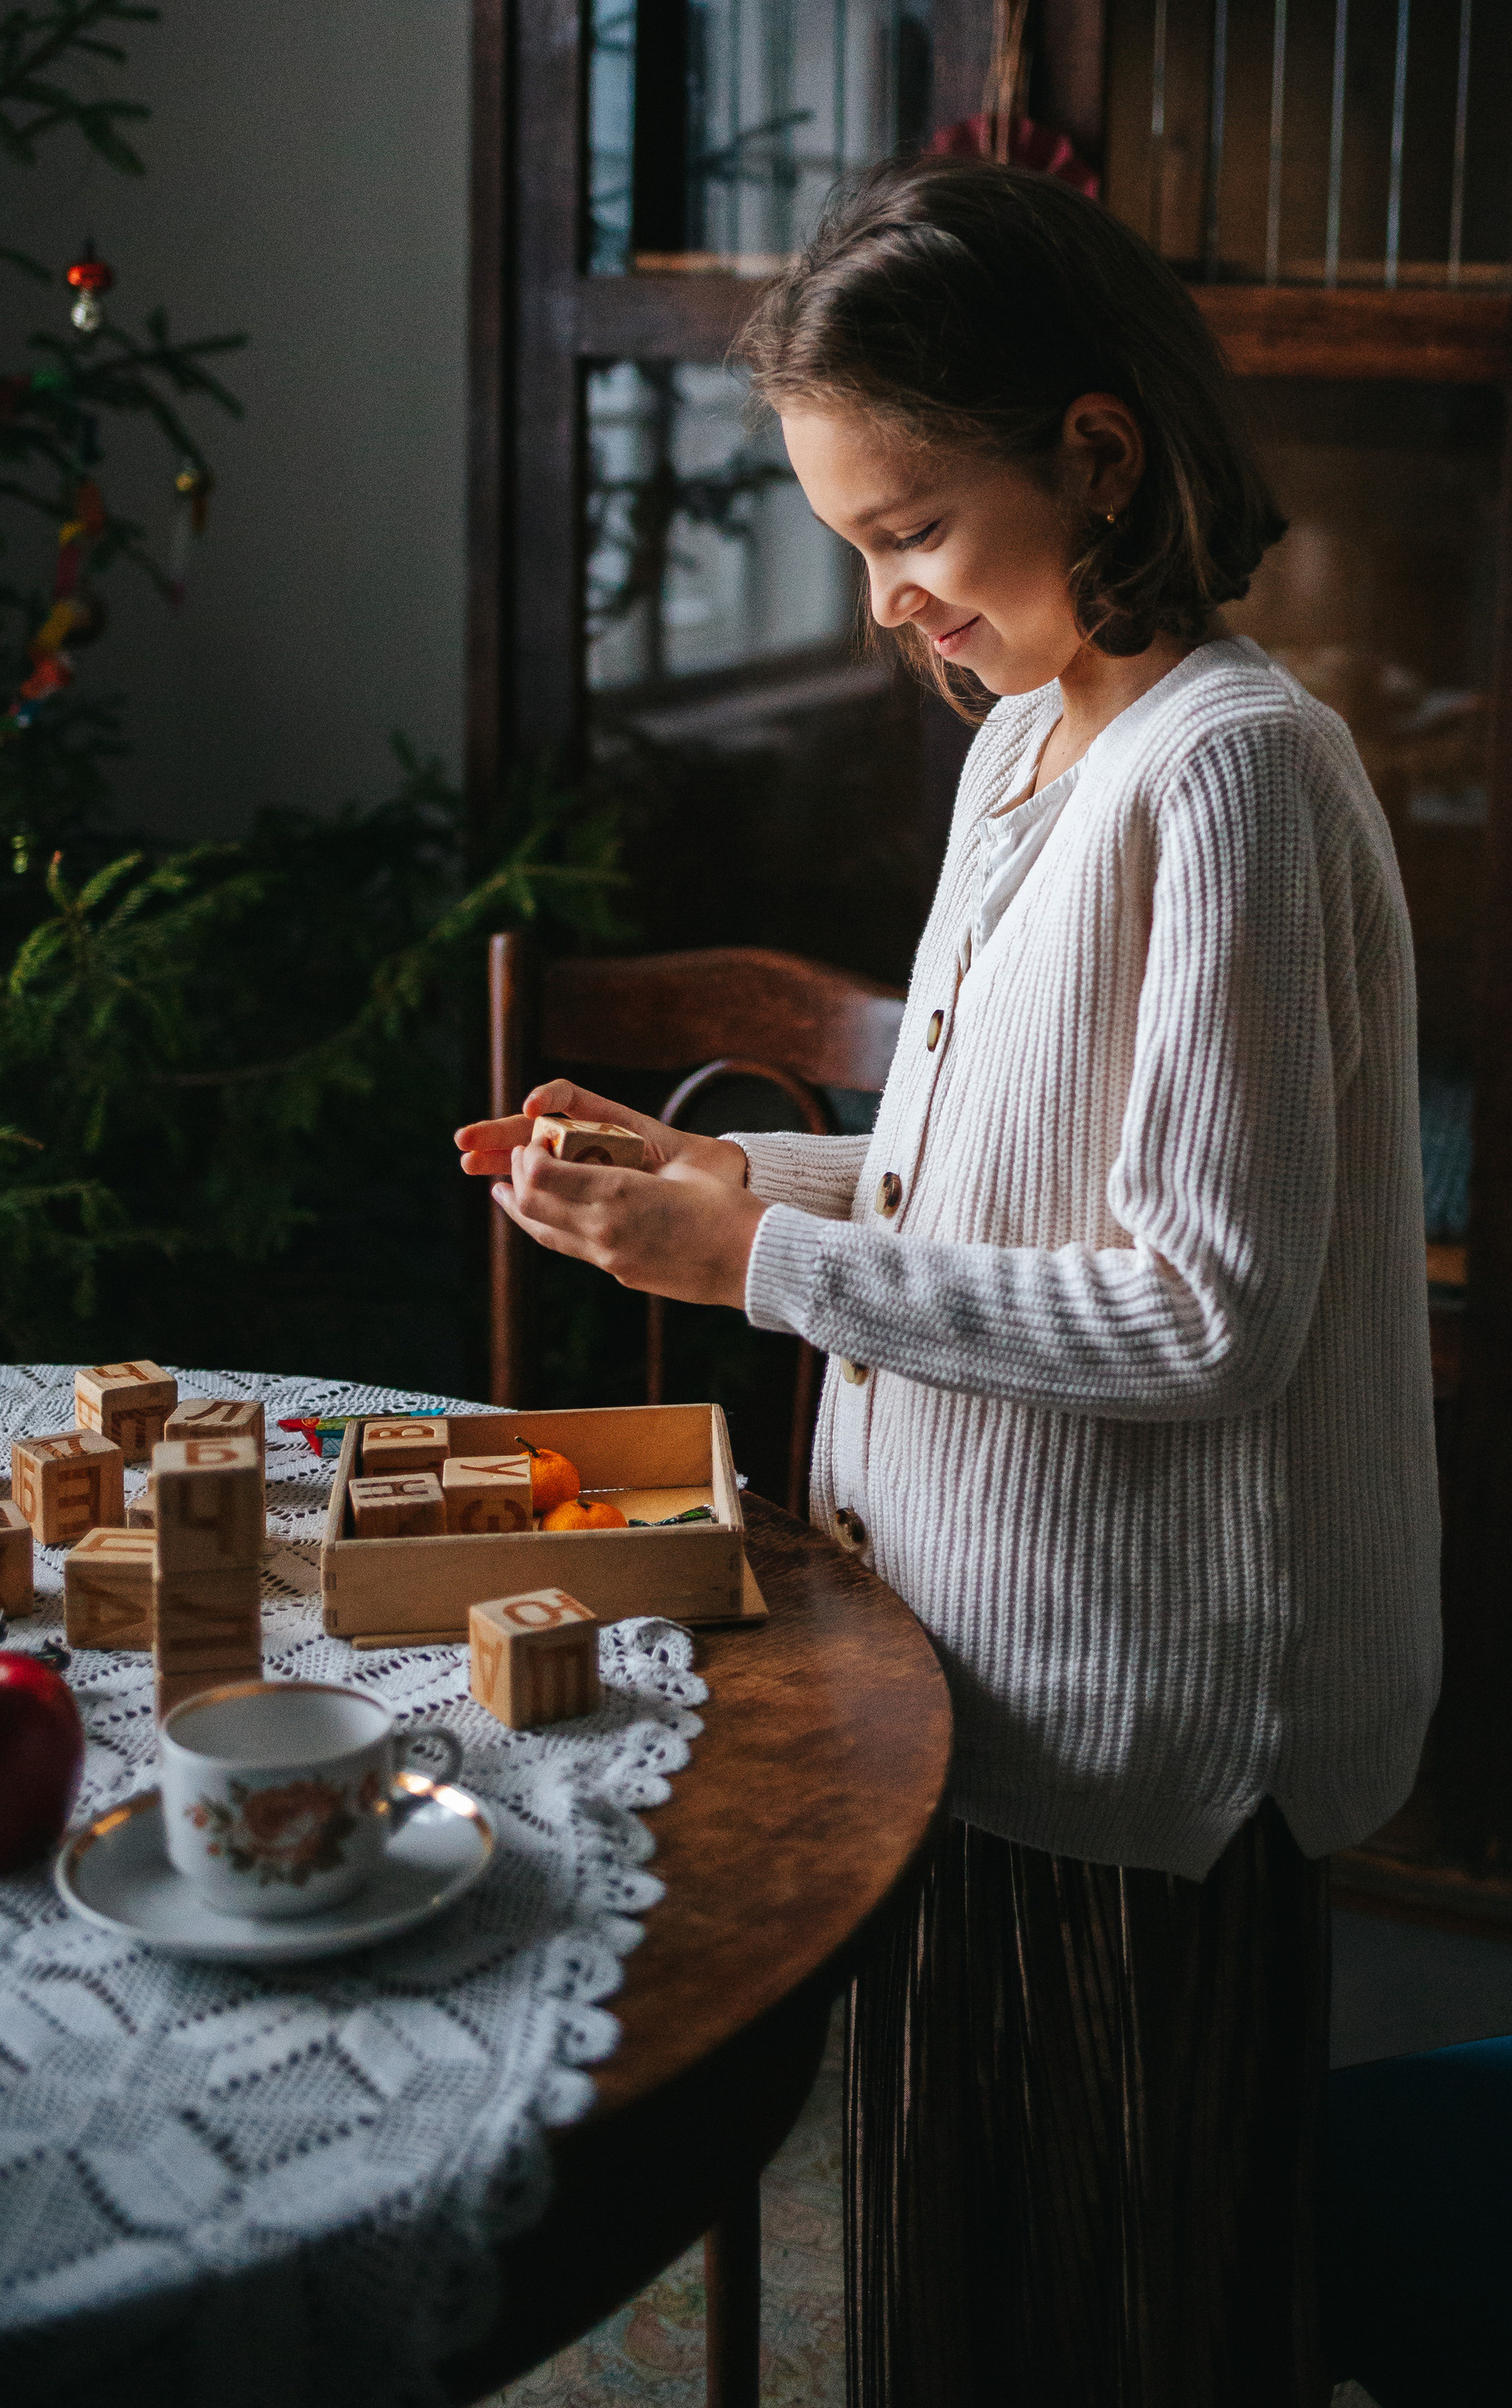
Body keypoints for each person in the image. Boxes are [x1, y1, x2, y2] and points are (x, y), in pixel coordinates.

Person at [456, 156, 1441, 2408]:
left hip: (1141, 1728)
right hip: (970, 1669)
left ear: (1097, 459)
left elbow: (1206, 1314)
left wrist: (767, 1264)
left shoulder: (1239, 781)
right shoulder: (1026, 746)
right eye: (852, 549)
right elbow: (987, 1169)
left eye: (911, 531)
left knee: (1104, 2313)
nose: (889, 602)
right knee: (956, 2277)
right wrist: (725, 1175)